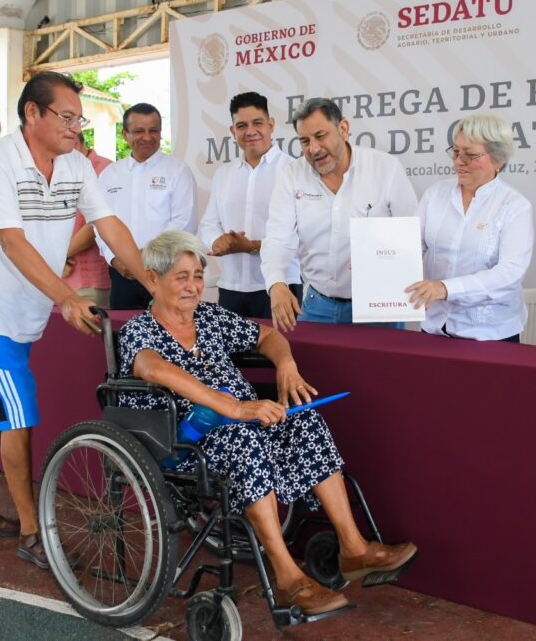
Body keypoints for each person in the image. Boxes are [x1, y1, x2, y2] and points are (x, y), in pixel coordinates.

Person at [119, 231, 418, 614]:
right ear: (152, 279)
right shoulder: (140, 330)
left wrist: (285, 365)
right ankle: (288, 577)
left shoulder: (210, 318)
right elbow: (152, 368)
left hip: (244, 421)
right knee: (242, 440)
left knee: (304, 420)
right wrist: (234, 408)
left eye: (198, 276)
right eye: (182, 277)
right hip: (185, 441)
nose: (193, 286)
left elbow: (267, 336)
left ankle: (353, 547)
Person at [0, 72, 146, 569]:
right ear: (32, 113)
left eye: (80, 119)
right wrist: (67, 298)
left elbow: (108, 224)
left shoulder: (75, 164)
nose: (76, 128)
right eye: (67, 117)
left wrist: (152, 282)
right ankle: (34, 532)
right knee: (17, 415)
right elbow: (12, 242)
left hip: (26, 310)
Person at [261, 97, 418, 330]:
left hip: (377, 307)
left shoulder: (385, 168)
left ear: (343, 129)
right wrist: (276, 284)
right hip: (316, 306)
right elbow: (277, 238)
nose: (313, 149)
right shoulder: (292, 175)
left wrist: (381, 263)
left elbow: (412, 236)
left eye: (320, 136)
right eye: (305, 141)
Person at [406, 114, 534, 341]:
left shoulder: (515, 206)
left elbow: (509, 273)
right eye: (456, 152)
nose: (458, 161)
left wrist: (445, 288)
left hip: (489, 335)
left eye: (470, 155)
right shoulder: (435, 194)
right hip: (434, 327)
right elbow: (409, 247)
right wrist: (378, 265)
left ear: (498, 159)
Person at [198, 92, 301, 318]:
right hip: (231, 287)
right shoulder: (224, 174)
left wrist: (252, 246)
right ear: (232, 131)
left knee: (281, 343)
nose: (250, 131)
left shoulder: (294, 171)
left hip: (280, 286)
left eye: (257, 123)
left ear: (271, 125)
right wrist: (217, 240)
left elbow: (301, 234)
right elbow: (208, 224)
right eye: (242, 126)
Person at [97, 103, 197, 309]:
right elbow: (100, 223)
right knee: (124, 328)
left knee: (168, 329)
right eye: (139, 131)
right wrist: (114, 258)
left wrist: (148, 257)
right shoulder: (110, 174)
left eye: (153, 130)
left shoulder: (178, 170)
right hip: (122, 274)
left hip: (165, 272)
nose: (147, 137)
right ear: (125, 134)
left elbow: (184, 222)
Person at [62, 131, 114, 306]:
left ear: (74, 143)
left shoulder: (107, 170)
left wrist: (60, 256)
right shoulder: (57, 168)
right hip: (57, 279)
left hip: (90, 281)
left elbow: (98, 224)